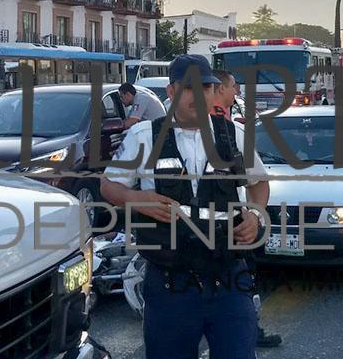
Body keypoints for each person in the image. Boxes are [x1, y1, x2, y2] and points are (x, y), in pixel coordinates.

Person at [101, 54, 270, 359]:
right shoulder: (145, 137)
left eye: (205, 87)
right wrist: (138, 199)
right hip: (170, 286)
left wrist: (256, 215)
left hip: (229, 281)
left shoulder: (234, 135)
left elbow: (259, 183)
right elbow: (109, 185)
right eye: (189, 88)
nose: (198, 95)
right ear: (171, 91)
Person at [211, 69, 282, 349]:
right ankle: (247, 329)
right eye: (233, 87)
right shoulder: (226, 126)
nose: (236, 92)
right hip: (225, 220)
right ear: (219, 89)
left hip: (230, 218)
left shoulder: (229, 122)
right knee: (242, 278)